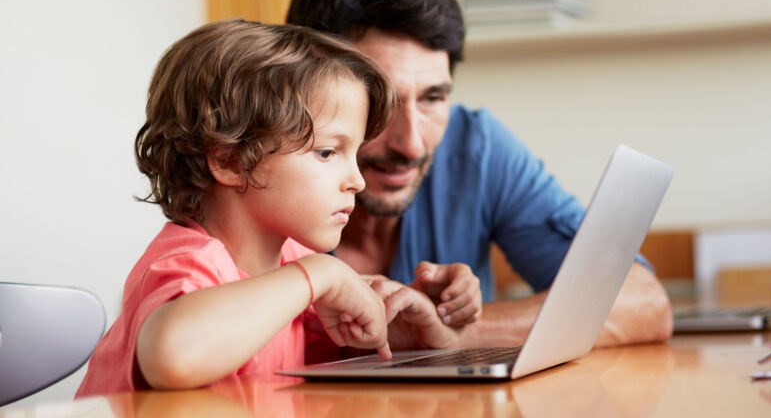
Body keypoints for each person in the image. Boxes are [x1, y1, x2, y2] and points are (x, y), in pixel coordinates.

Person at [286, 0, 673, 347]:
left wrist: (443, 332)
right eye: (379, 102)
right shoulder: (260, 171)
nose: (413, 144)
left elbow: (642, 301)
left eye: (433, 98)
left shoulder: (476, 149)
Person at [77, 20, 477, 397]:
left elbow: (327, 358)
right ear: (231, 161)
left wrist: (396, 332)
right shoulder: (190, 263)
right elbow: (173, 356)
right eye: (327, 152)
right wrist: (318, 276)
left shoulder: (291, 265)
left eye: (354, 154)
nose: (356, 180)